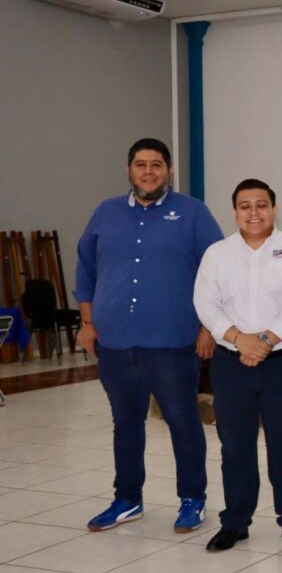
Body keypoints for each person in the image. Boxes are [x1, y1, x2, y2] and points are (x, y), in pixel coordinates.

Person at [75, 138, 223, 533]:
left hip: (173, 343)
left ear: (169, 171)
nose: (148, 171)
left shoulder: (193, 213)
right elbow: (86, 268)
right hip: (114, 342)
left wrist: (209, 327)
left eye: (156, 164)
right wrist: (87, 321)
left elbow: (217, 272)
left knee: (182, 420)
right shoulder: (105, 212)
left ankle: (192, 499)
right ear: (129, 170)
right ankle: (127, 500)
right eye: (140, 164)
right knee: (125, 422)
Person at [193, 179, 282, 551]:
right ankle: (235, 522)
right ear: (234, 212)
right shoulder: (217, 254)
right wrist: (238, 339)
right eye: (245, 206)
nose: (254, 212)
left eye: (261, 205)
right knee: (235, 447)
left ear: (274, 209)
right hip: (232, 364)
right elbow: (206, 303)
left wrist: (264, 341)